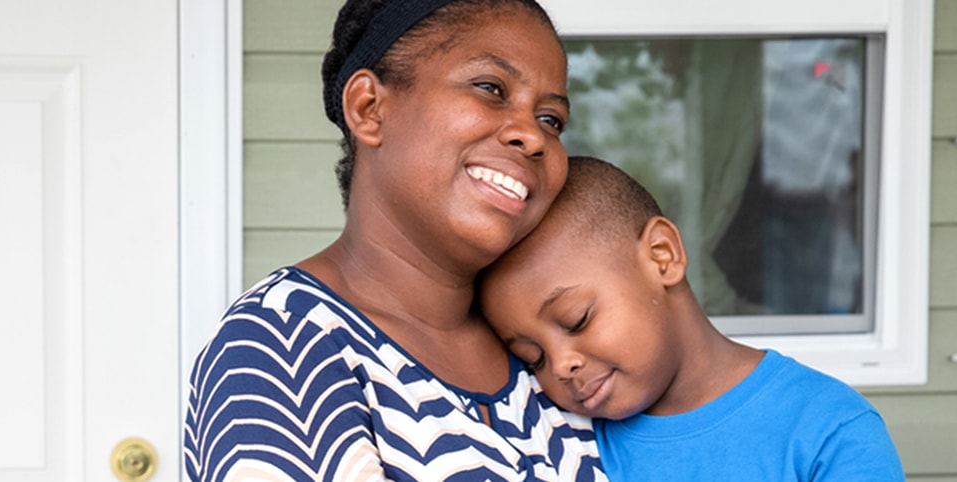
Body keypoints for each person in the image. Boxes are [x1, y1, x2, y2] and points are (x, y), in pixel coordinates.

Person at [182, 0, 606, 480]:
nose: (532, 135)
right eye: (491, 88)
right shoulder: (280, 345)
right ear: (369, 108)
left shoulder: (550, 354)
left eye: (551, 120)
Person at [478, 156, 905, 480]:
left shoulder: (827, 428)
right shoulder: (566, 439)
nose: (560, 365)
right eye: (533, 357)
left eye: (576, 320)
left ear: (662, 257)